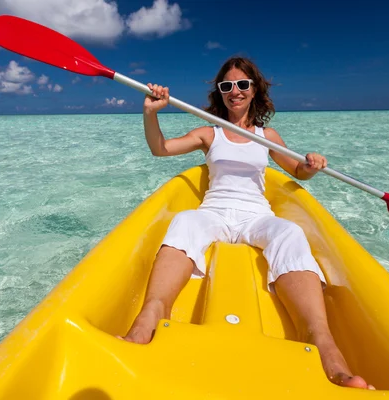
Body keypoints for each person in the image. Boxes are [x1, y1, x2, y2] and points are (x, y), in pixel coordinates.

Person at [119, 57, 374, 390]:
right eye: (227, 86)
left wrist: (311, 164)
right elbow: (161, 149)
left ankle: (325, 348)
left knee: (290, 233)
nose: (234, 91)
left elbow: (297, 170)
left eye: (242, 84)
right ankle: (147, 321)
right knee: (184, 222)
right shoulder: (208, 132)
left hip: (257, 216)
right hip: (215, 212)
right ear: (220, 94)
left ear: (255, 90)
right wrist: (151, 113)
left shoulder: (266, 135)